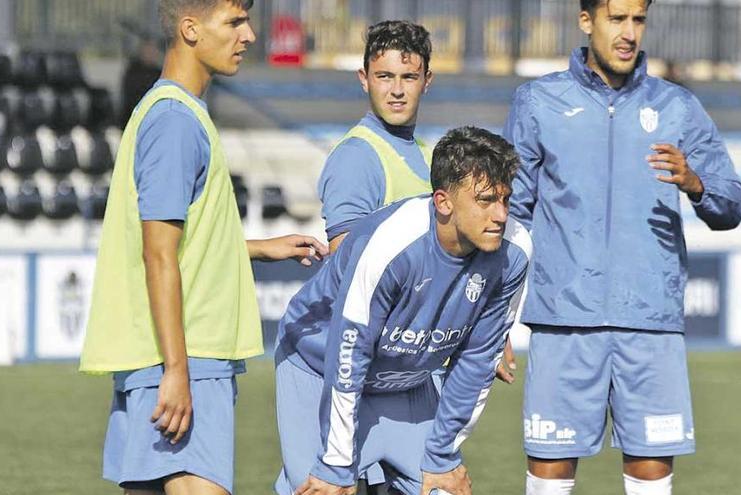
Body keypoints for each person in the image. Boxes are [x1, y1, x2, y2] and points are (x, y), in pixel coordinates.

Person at [79, 1, 327, 494]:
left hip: (158, 356)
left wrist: (256, 247)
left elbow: (180, 240)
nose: (249, 35)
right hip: (186, 353)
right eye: (234, 22)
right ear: (190, 29)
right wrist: (178, 369)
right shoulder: (175, 121)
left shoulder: (167, 110)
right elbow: (158, 253)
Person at [502, 1, 741, 494]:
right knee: (549, 474)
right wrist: (496, 317)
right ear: (587, 20)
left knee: (652, 475)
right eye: (617, 19)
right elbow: (510, 217)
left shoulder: (678, 106)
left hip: (649, 323)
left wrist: (695, 183)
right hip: (563, 321)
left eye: (638, 20)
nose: (629, 32)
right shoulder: (538, 102)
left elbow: (731, 204)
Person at [274, 126, 532, 495]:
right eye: (486, 200)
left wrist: (442, 456)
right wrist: (335, 463)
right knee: (323, 488)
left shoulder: (516, 249)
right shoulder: (390, 244)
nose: (501, 215)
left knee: (445, 489)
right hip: (320, 369)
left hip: (405, 384)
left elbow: (477, 360)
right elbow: (348, 354)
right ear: (443, 202)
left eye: (506, 200)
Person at [317, 20, 433, 254]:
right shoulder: (356, 156)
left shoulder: (425, 151)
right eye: (385, 76)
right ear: (364, 79)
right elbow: (347, 265)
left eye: (409, 77)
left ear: (426, 81)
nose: (397, 90)